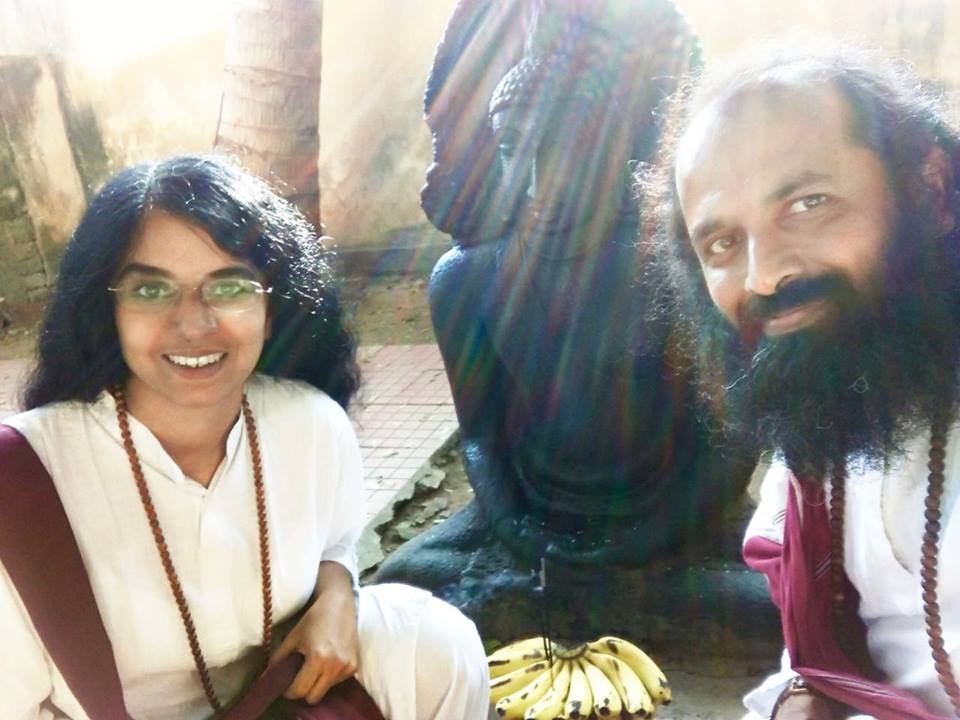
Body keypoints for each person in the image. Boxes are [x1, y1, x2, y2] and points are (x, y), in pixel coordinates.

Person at [0, 154, 489, 720]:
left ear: (272, 304)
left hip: (272, 703)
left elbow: (334, 545)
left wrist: (337, 594)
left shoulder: (309, 423)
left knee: (433, 640)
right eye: (152, 291)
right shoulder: (26, 482)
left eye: (229, 286)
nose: (194, 322)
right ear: (105, 310)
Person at [642, 42, 960, 719]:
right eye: (723, 244)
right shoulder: (835, 417)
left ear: (931, 190)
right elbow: (821, 661)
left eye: (809, 202)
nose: (764, 276)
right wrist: (801, 694)